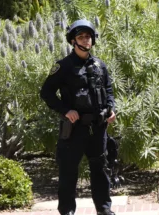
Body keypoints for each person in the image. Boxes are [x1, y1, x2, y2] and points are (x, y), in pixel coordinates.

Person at [40, 19, 117, 215]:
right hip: (74, 130)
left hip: (98, 128)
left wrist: (111, 109)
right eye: (81, 36)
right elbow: (46, 92)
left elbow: (108, 89)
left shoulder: (100, 65)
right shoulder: (63, 66)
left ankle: (104, 209)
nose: (86, 40)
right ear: (73, 41)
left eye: (89, 36)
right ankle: (67, 211)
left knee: (100, 171)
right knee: (68, 172)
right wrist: (65, 110)